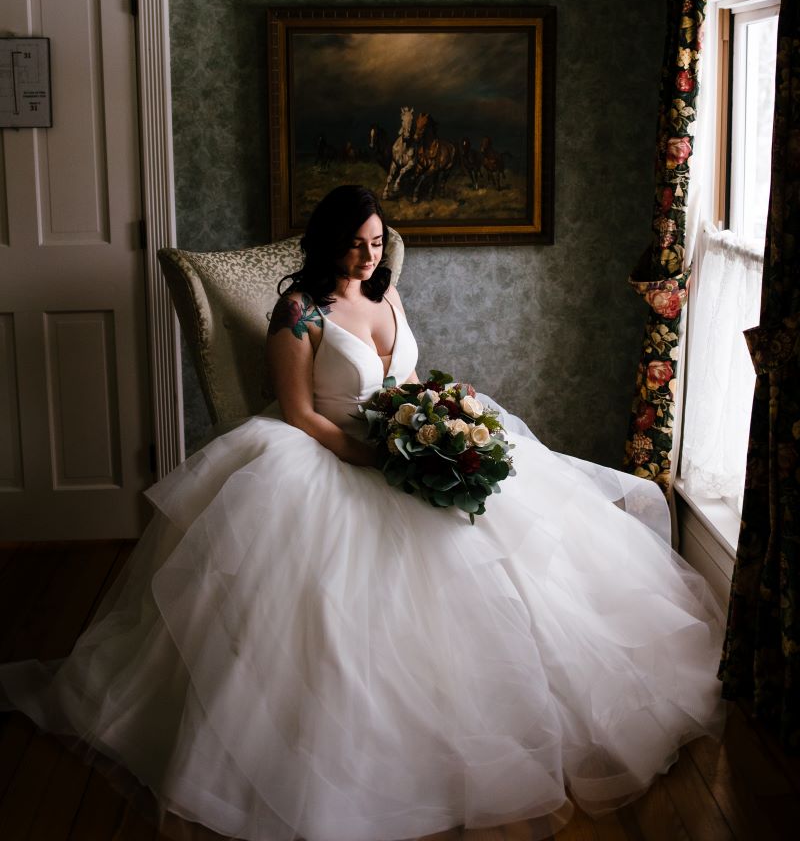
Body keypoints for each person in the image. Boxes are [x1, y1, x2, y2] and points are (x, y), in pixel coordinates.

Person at [0, 184, 725, 841]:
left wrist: (430, 420)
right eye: (355, 242)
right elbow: (298, 412)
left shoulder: (388, 295)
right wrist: (369, 457)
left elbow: (404, 375)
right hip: (326, 455)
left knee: (511, 548)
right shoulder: (298, 311)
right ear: (326, 243)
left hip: (400, 442)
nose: (367, 254)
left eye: (377, 242)